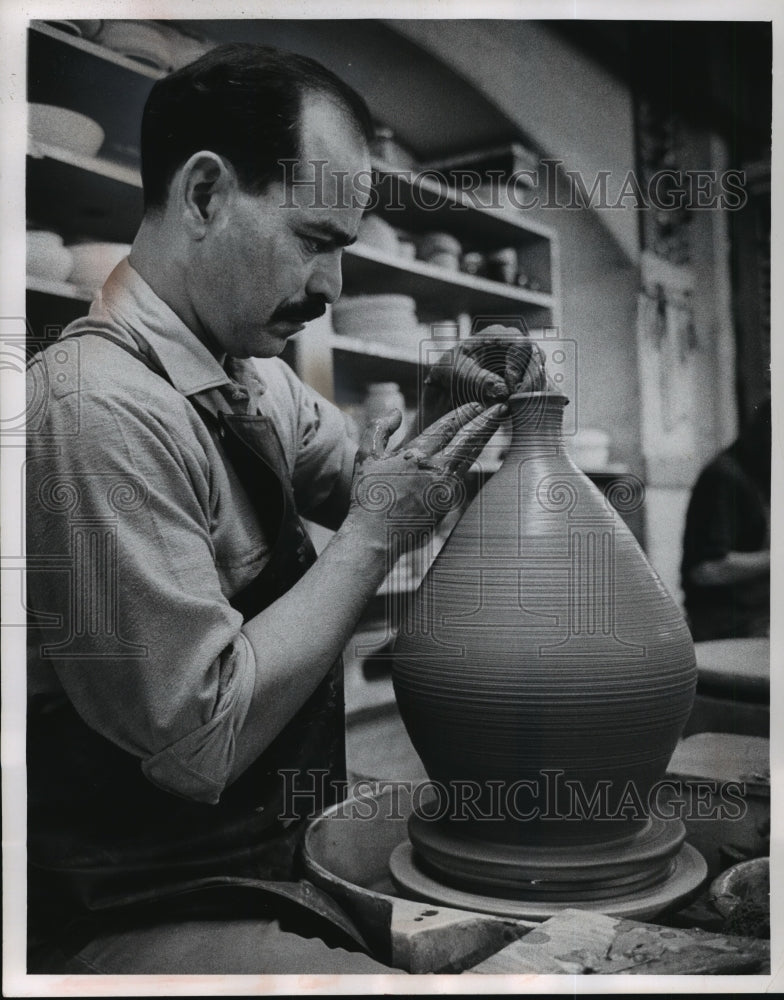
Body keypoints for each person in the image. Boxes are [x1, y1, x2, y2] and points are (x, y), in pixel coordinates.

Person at [25, 43, 508, 975]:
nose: (332, 291)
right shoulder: (95, 408)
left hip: (263, 855)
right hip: (127, 895)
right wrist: (373, 538)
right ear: (205, 194)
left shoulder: (252, 385)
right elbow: (198, 743)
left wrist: (441, 413)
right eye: (315, 241)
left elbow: (374, 479)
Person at [681, 398, 771, 642]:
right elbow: (705, 570)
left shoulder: (764, 475)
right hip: (727, 627)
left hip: (761, 617)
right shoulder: (724, 477)